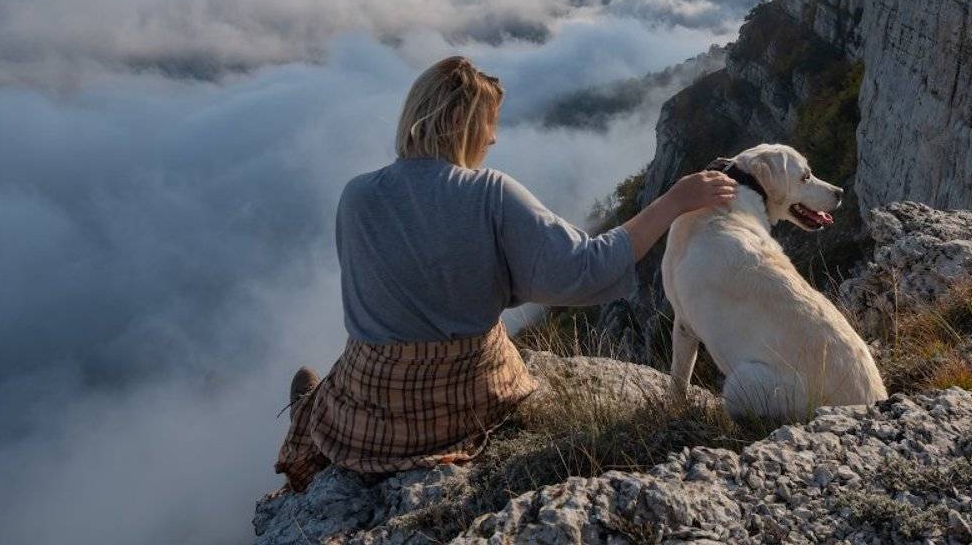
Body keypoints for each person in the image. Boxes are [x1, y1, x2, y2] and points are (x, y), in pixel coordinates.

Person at [275, 55, 735, 488]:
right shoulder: (489, 194)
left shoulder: (356, 196)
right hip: (466, 400)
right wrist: (674, 201)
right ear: (459, 121)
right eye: (489, 124)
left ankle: (312, 414)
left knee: (329, 387)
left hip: (371, 403)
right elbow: (586, 269)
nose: (492, 139)